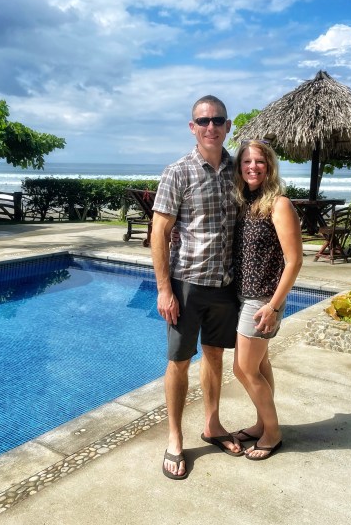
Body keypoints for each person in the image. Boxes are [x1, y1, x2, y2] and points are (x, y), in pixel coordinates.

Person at [151, 95, 244, 480]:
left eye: (217, 120)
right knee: (178, 361)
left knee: (215, 355)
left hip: (225, 283)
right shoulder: (178, 172)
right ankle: (175, 437)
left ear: (227, 126)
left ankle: (212, 424)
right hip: (187, 283)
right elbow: (159, 233)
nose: (211, 127)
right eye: (203, 121)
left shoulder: (239, 170)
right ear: (193, 127)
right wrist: (164, 289)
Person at [230, 139, 302, 461]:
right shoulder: (245, 202)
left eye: (259, 161)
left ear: (269, 166)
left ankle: (272, 432)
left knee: (243, 368)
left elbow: (294, 261)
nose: (252, 167)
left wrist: (273, 306)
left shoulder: (279, 204)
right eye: (246, 161)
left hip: (262, 298)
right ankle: (262, 424)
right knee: (259, 364)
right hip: (244, 294)